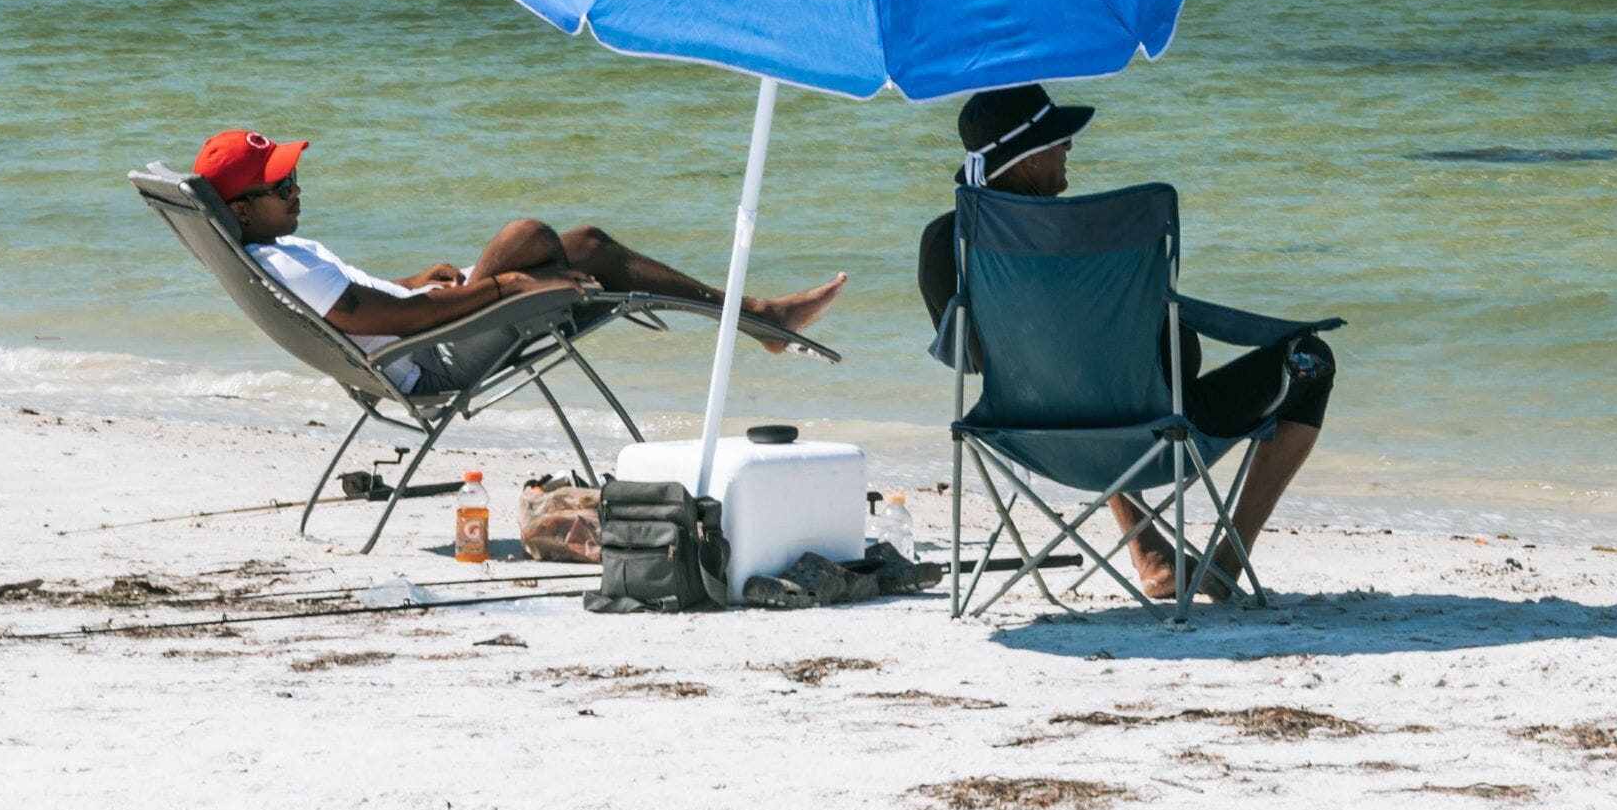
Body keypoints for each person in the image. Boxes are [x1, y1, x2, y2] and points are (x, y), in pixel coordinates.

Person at [917, 87, 1334, 600]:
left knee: (1084, 378)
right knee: (1312, 361)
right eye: (1059, 140)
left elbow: (968, 360)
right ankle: (1225, 563)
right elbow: (1171, 356)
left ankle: (1148, 549)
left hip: (1024, 439)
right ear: (1025, 162)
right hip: (1154, 441)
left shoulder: (945, 244)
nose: (1069, 148)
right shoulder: (1090, 242)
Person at [196, 129, 846, 387]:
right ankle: (758, 316)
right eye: (280, 186)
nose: (295, 189)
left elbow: (365, 301)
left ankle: (757, 316)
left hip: (421, 340)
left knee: (581, 242)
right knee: (532, 235)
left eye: (292, 177)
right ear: (244, 209)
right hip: (434, 359)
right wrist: (504, 287)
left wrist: (419, 279)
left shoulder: (280, 256)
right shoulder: (287, 265)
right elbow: (404, 321)